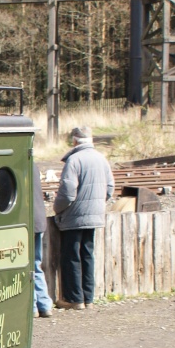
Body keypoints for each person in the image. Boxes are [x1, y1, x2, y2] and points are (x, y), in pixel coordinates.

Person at [52, 126, 114, 310]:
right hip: (95, 215)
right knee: (87, 254)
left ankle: (74, 298)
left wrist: (57, 209)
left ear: (74, 141)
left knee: (71, 256)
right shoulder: (102, 159)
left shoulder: (74, 160)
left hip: (74, 216)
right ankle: (89, 297)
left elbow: (68, 194)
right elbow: (110, 188)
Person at [32, 163, 53, 317]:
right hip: (39, 219)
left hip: (27, 221)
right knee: (36, 264)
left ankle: (32, 306)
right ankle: (44, 304)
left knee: (27, 266)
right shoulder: (33, 165)